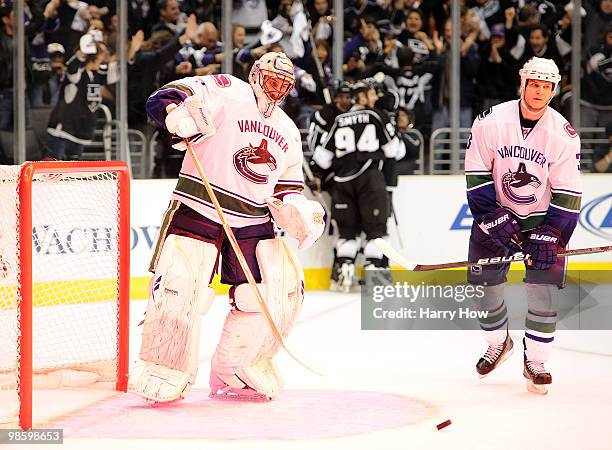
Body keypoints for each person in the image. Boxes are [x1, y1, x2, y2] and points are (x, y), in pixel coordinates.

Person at [129, 52, 325, 403]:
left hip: (252, 219)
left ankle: (235, 366)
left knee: (268, 294)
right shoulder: (225, 90)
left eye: (285, 84)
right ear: (254, 75)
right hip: (199, 206)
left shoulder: (289, 131)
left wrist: (297, 210)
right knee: (180, 287)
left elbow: (287, 187)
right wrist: (176, 114)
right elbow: (166, 96)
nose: (277, 90)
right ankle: (164, 365)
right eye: (272, 80)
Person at [464, 57, 581, 395]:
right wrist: (490, 215)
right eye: (534, 84)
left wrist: (553, 233)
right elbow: (476, 171)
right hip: (497, 215)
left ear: (554, 90)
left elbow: (568, 191)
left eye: (546, 86)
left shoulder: (563, 135)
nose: (539, 92)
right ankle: (499, 343)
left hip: (542, 221)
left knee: (543, 292)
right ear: (523, 83)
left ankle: (537, 360)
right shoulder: (491, 121)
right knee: (483, 288)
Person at [312, 82, 399, 292]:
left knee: (347, 233)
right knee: (376, 231)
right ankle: (374, 275)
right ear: (361, 97)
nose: (374, 97)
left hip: (342, 183)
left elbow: (322, 159)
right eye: (370, 93)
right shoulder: (376, 115)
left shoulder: (339, 120)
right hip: (370, 179)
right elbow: (393, 150)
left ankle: (344, 273)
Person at [45, 31, 114, 160]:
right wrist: (85, 49)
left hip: (81, 130)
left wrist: (96, 40)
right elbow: (73, 66)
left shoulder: (96, 75)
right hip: (63, 131)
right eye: (101, 54)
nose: (104, 56)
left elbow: (108, 64)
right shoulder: (77, 74)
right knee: (53, 170)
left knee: (73, 172)